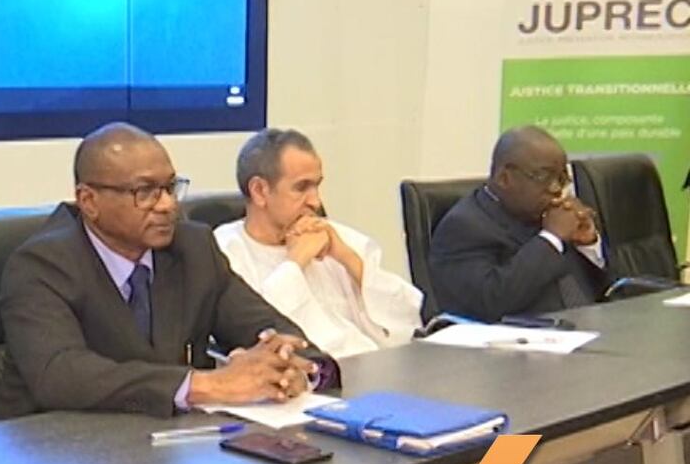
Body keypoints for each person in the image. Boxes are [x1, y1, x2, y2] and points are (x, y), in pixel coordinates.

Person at [0, 122, 340, 421]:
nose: (167, 205)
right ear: (89, 201)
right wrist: (204, 385)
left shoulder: (192, 249)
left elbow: (267, 325)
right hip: (50, 456)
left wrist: (293, 369)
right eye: (145, 192)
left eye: (170, 188)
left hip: (164, 449)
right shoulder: (41, 266)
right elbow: (60, 374)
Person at [215, 128, 422, 358]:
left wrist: (348, 258)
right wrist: (295, 263)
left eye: (317, 186)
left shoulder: (330, 235)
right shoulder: (224, 252)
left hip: (377, 366)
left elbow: (409, 323)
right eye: (301, 188)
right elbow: (263, 335)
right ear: (260, 191)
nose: (316, 201)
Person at [428, 125, 607, 322]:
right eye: (544, 177)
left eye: (562, 179)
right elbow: (490, 303)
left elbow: (608, 292)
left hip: (593, 328)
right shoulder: (463, 227)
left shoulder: (548, 215)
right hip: (529, 338)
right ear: (504, 178)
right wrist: (551, 239)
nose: (556, 189)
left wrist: (588, 244)